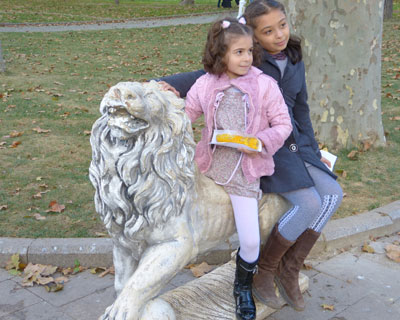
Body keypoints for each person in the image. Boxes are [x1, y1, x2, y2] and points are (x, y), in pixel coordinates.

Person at [158, 0, 343, 312]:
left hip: (284, 147)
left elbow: (300, 111)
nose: (279, 35)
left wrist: (313, 152)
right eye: (268, 31)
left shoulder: (290, 61)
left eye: (282, 25)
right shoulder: (248, 65)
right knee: (311, 201)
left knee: (333, 194)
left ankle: (288, 268)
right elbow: (201, 80)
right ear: (253, 38)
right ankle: (267, 272)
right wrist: (158, 87)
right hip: (258, 154)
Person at [183, 16, 292, 320]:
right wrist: (166, 108)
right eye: (238, 52)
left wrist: (258, 142)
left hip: (245, 175)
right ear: (220, 55)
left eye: (249, 51)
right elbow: (186, 114)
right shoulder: (205, 84)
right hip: (208, 169)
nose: (246, 58)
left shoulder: (264, 85)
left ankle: (242, 286)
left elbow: (283, 125)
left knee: (251, 240)